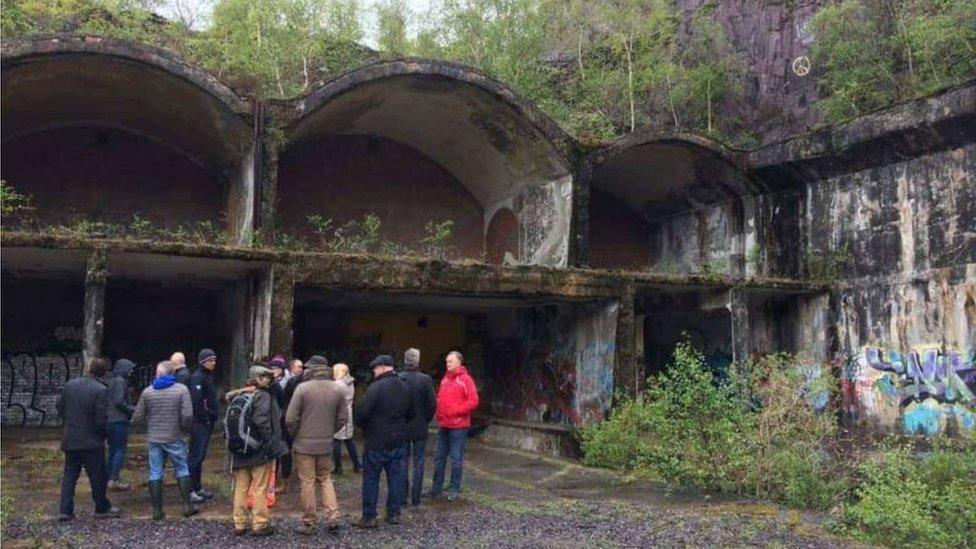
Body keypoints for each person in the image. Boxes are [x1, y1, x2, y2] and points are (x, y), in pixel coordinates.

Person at [285, 357, 348, 535]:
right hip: (326, 443)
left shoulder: (302, 389)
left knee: (307, 482)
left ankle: (309, 521)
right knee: (326, 479)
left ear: (310, 369)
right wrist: (330, 431)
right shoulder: (337, 388)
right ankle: (333, 516)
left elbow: (290, 418)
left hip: (304, 444)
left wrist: (296, 433)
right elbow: (343, 418)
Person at [131, 360, 198, 520]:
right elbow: (188, 415)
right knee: (182, 469)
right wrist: (185, 429)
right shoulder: (181, 390)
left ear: (159, 373)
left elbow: (138, 416)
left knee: (155, 471)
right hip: (175, 436)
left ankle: (157, 511)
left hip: (155, 438)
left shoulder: (148, 392)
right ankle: (187, 506)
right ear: (172, 373)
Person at [57, 356, 120, 521]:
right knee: (97, 476)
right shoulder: (100, 390)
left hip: (70, 439)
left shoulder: (70, 385)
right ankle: (101, 507)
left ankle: (65, 510)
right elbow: (101, 420)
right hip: (91, 442)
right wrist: (102, 436)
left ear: (88, 369)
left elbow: (60, 409)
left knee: (69, 476)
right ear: (104, 373)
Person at [229, 365, 289, 537]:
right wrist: (270, 440)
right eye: (265, 377)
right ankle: (260, 523)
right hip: (258, 449)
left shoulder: (240, 395)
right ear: (256, 378)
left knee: (241, 487)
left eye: (269, 377)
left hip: (240, 448)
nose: (268, 380)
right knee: (260, 487)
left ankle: (240, 523)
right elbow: (261, 421)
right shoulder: (262, 396)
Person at [354, 355, 412, 528]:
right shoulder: (405, 386)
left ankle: (369, 516)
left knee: (371, 479)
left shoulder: (375, 388)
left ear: (383, 367)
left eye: (375, 368)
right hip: (398, 439)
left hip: (376, 440)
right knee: (396, 478)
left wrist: (363, 426)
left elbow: (363, 414)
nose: (373, 371)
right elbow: (411, 412)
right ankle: (394, 513)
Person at [429, 351, 479, 502]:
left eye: (450, 361)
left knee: (456, 458)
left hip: (459, 426)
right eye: (447, 361)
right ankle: (436, 489)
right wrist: (439, 413)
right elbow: (440, 399)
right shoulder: (446, 379)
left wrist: (457, 411)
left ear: (459, 362)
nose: (447, 364)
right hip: (444, 424)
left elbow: (474, 400)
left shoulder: (466, 380)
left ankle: (454, 488)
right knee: (439, 457)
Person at [400, 348, 436, 506]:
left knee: (402, 461)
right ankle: (416, 497)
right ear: (418, 361)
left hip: (402, 425)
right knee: (419, 462)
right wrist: (426, 419)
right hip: (420, 424)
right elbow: (432, 404)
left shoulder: (399, 378)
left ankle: (402, 496)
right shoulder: (425, 380)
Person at [187, 348, 220, 503]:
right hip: (200, 423)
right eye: (210, 360)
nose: (213, 363)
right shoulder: (197, 378)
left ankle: (197, 486)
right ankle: (190, 489)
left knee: (200, 457)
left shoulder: (207, 377)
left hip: (207, 422)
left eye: (214, 360)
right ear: (202, 362)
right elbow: (197, 401)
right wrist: (205, 416)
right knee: (195, 456)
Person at [106, 358, 136, 492]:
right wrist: (132, 409)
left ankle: (108, 478)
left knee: (113, 450)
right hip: (118, 420)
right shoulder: (120, 381)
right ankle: (114, 479)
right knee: (119, 450)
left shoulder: (113, 381)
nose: (131, 371)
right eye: (130, 368)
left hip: (111, 420)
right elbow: (119, 401)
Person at [332, 363, 361, 476]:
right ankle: (357, 464)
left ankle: (338, 467)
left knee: (337, 439)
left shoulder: (338, 384)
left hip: (340, 412)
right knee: (349, 439)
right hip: (348, 411)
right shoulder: (350, 383)